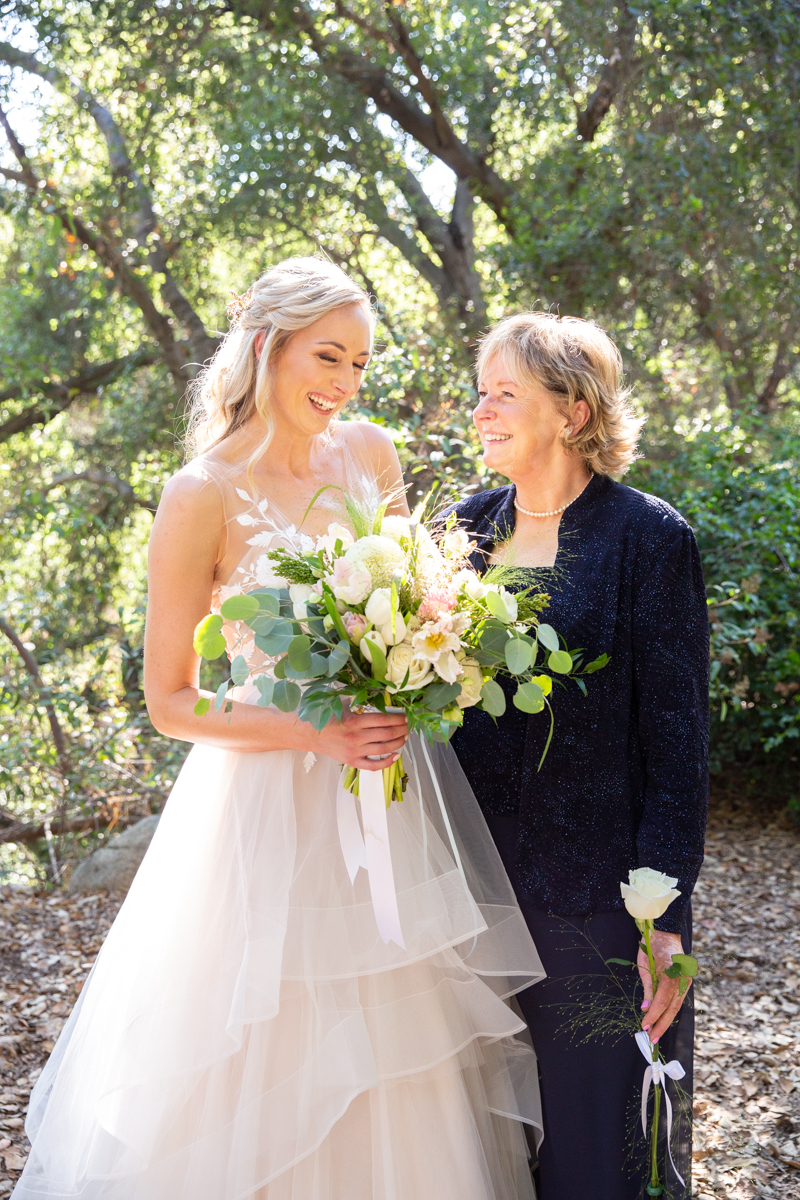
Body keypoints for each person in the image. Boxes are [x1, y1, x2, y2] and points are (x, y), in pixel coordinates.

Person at [12, 258, 546, 1200]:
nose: (342, 385)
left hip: (385, 783)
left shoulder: (370, 454)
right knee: (258, 1047)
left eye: (360, 366)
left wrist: (421, 658)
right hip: (263, 800)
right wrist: (313, 732)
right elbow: (171, 700)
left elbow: (417, 604)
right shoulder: (200, 493)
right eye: (327, 357)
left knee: (397, 1043)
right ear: (267, 347)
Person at [449, 312, 709, 1200]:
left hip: (597, 905)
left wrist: (661, 913)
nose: (481, 410)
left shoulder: (650, 537)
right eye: (479, 392)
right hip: (466, 892)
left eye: (504, 393)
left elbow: (677, 740)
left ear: (572, 409)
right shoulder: (461, 531)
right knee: (487, 1144)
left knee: (604, 1147)